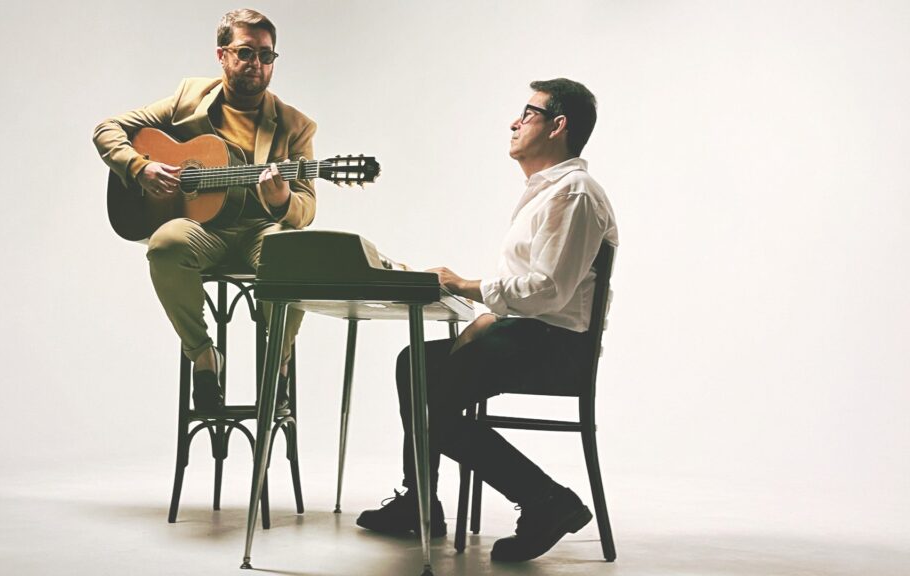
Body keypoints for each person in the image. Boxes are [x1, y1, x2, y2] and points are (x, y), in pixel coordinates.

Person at [356, 78, 618, 563]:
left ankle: (547, 500)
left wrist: (464, 286)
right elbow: (534, 291)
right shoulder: (548, 193)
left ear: (558, 126)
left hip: (555, 347)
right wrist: (487, 317)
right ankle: (420, 500)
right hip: (531, 336)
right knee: (415, 363)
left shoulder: (574, 194)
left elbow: (549, 290)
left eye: (529, 113)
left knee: (432, 399)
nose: (515, 123)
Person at [93, 8, 315, 411]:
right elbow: (107, 129)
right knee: (164, 244)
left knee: (293, 254)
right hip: (203, 230)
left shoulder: (294, 126)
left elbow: (307, 207)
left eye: (266, 55)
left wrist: (282, 200)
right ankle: (203, 354)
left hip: (260, 231)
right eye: (245, 52)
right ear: (221, 55)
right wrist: (139, 167)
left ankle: (277, 364)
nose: (257, 63)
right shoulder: (188, 99)